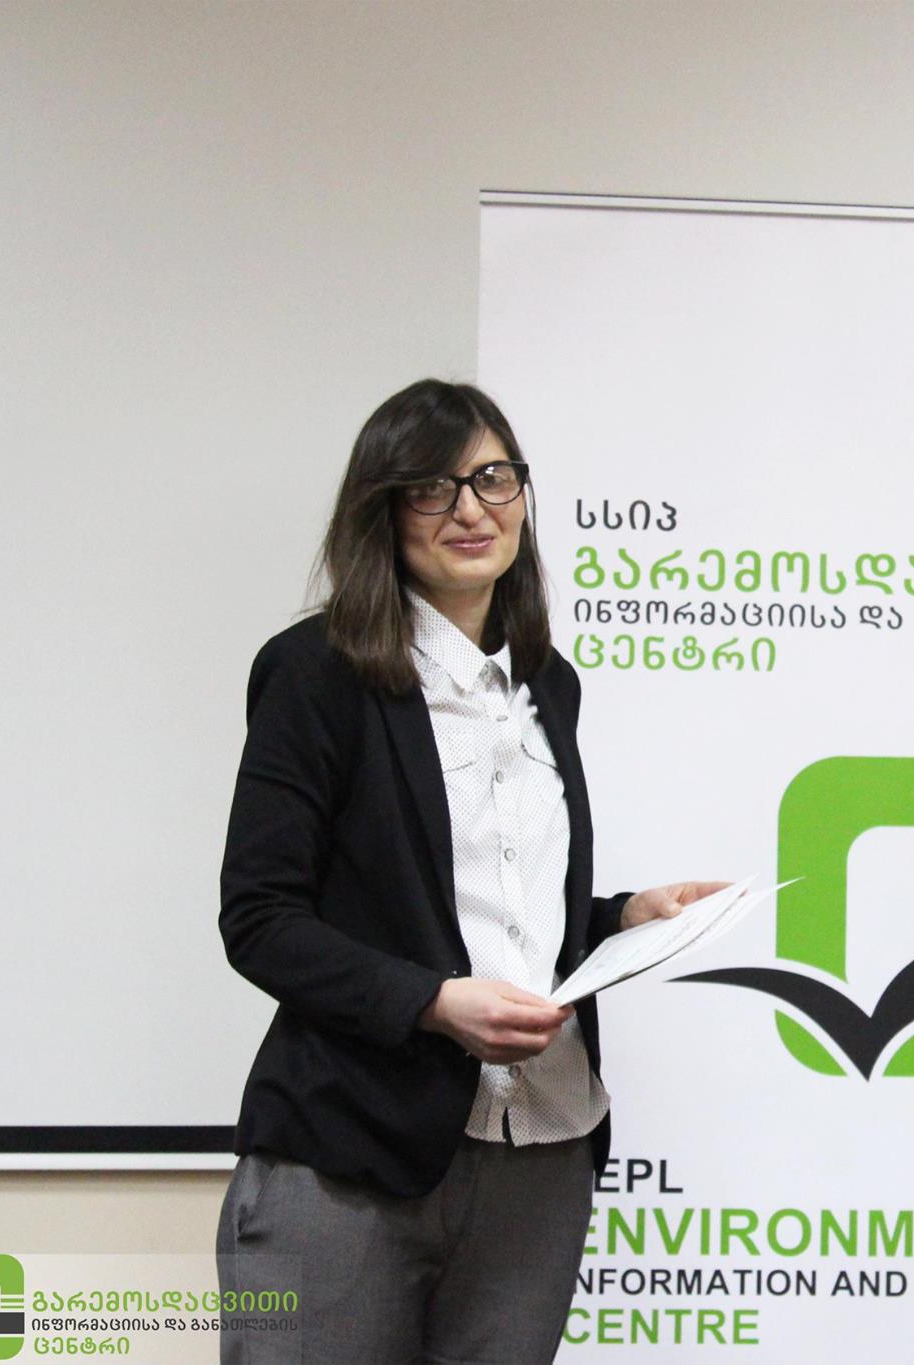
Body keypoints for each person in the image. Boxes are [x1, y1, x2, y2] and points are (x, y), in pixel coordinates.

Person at [216, 379, 723, 1363]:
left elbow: (495, 903)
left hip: (541, 1150)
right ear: (382, 509)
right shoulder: (317, 671)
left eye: (493, 478)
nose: (470, 509)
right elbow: (261, 918)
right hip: (354, 1151)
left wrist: (621, 917)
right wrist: (433, 1004)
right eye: (431, 487)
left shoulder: (547, 682)